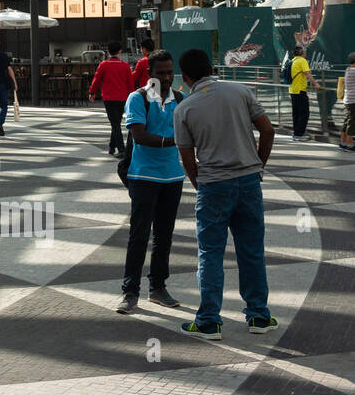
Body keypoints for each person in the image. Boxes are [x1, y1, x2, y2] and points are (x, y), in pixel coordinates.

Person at [172, 48, 277, 341]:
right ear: (211, 68)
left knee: (210, 253)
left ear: (187, 76)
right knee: (252, 251)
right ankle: (259, 315)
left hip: (213, 185)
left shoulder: (184, 108)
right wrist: (257, 167)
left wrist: (199, 183)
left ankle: (209, 321)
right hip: (248, 182)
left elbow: (187, 157)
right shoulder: (240, 92)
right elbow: (267, 131)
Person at [115, 50, 184, 315]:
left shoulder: (180, 99)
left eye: (170, 72)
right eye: (161, 73)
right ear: (149, 74)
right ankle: (130, 291)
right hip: (143, 175)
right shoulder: (138, 98)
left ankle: (158, 287)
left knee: (164, 235)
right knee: (139, 234)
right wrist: (173, 141)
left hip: (172, 176)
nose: (166, 78)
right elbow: (140, 136)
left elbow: (190, 132)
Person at [89, 41, 133, 155]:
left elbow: (96, 80)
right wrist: (132, 95)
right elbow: (130, 83)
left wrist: (92, 92)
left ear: (108, 52)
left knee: (115, 123)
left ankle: (121, 149)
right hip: (122, 97)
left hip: (108, 97)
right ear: (120, 51)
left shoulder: (103, 65)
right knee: (116, 122)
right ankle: (112, 147)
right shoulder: (125, 65)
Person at [286, 45, 320, 141]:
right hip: (300, 90)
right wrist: (316, 84)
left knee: (296, 113)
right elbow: (307, 74)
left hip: (293, 90)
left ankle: (297, 133)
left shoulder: (292, 61)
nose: (305, 53)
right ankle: (299, 134)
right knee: (304, 112)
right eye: (304, 52)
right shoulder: (302, 61)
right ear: (302, 53)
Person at [341, 51, 355, 151]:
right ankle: (350, 145)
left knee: (347, 121)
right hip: (353, 100)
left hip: (348, 99)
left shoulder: (348, 69)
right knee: (352, 122)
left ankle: (343, 143)